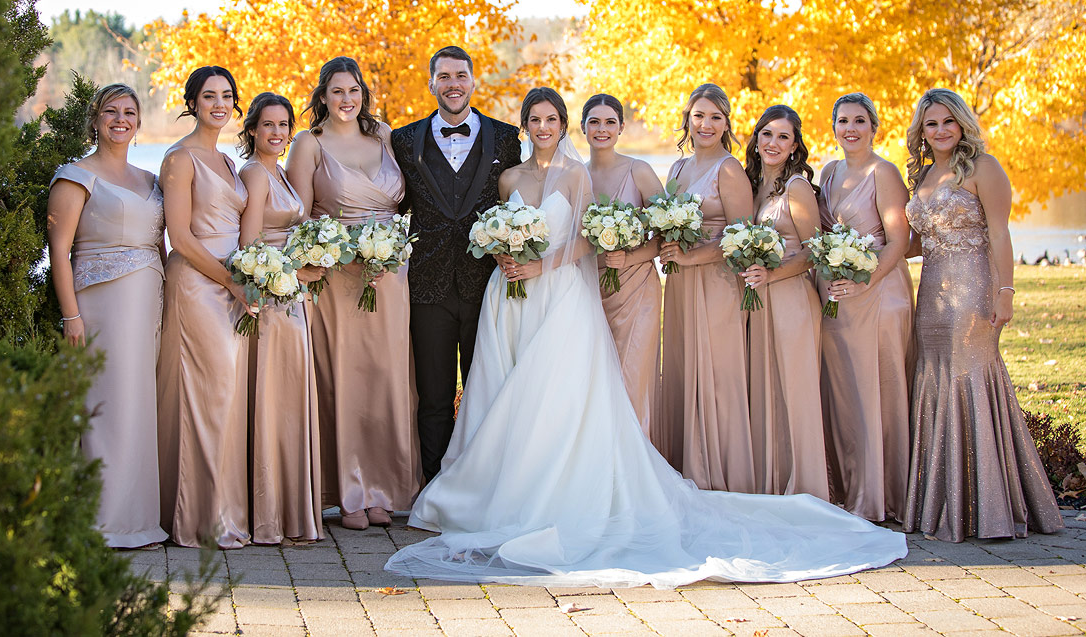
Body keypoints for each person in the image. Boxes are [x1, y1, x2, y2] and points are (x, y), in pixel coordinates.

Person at [385, 88, 906, 588]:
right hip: (516, 297)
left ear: (565, 127)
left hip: (578, 290)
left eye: (554, 119)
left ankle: (596, 485)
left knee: (574, 390)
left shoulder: (587, 177)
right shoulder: (514, 178)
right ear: (530, 127)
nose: (546, 128)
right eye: (537, 120)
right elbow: (509, 224)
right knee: (511, 390)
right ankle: (501, 485)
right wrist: (504, 252)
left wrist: (579, 261)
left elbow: (590, 239)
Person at [903, 88, 1062, 542]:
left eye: (948, 122)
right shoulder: (924, 175)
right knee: (935, 380)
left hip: (973, 291)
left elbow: (1000, 234)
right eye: (931, 124)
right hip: (931, 294)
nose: (940, 131)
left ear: (962, 125)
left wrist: (1006, 292)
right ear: (922, 130)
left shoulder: (984, 169)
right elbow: (918, 242)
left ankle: (989, 506)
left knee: (969, 379)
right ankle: (944, 502)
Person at [285, 56, 418, 530]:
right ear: (322, 96)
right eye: (337, 91)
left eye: (354, 90)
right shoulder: (309, 143)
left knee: (387, 375)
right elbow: (298, 216)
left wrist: (388, 250)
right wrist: (331, 251)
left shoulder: (383, 135)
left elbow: (404, 201)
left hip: (389, 272)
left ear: (363, 93)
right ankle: (347, 492)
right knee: (344, 376)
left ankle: (383, 488)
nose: (347, 99)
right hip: (338, 275)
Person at [390, 46, 521, 483]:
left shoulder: (506, 138)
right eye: (443, 76)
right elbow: (390, 202)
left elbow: (519, 205)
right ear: (431, 83)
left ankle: (484, 484)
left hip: (489, 283)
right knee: (433, 395)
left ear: (473, 81)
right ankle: (434, 487)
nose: (453, 84)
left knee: (489, 389)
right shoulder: (404, 141)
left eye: (461, 75)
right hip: (426, 285)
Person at [47, 83, 167, 548]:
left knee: (139, 405)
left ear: (139, 122)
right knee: (106, 408)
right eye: (112, 111)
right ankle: (100, 520)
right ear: (95, 118)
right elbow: (59, 253)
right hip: (100, 307)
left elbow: (160, 245)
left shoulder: (150, 179)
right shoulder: (76, 176)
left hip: (147, 304)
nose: (122, 119)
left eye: (130, 112)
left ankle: (139, 521)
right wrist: (71, 317)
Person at [157, 65, 253, 548]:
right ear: (192, 102)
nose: (220, 104)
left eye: (227, 96)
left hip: (232, 284)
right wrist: (232, 282)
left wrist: (247, 278)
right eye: (209, 95)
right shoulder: (180, 159)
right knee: (208, 393)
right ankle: (199, 518)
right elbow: (180, 236)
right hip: (197, 284)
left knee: (227, 394)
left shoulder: (229, 162)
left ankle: (223, 510)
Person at [817, 92, 913, 522]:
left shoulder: (885, 172)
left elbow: (900, 242)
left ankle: (886, 495)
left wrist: (865, 281)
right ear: (834, 127)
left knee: (880, 389)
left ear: (874, 127)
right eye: (843, 121)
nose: (851, 129)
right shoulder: (830, 172)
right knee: (846, 392)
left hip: (880, 293)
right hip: (837, 294)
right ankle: (853, 489)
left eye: (859, 121)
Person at [656, 83, 755, 491]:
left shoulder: (729, 169)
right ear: (688, 120)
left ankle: (720, 474)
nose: (706, 124)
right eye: (699, 115)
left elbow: (742, 237)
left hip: (717, 284)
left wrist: (692, 256)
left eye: (715, 116)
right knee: (681, 367)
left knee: (716, 373)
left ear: (727, 123)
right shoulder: (678, 169)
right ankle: (683, 467)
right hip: (680, 284)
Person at [238, 91, 324, 544]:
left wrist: (312, 258)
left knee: (291, 397)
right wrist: (297, 270)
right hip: (272, 299)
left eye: (284, 125)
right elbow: (250, 247)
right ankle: (270, 513)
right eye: (267, 124)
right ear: (251, 129)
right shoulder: (254, 174)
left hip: (293, 293)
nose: (277, 133)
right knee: (275, 397)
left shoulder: (283, 174)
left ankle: (293, 508)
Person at [742, 105, 827, 498]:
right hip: (760, 303)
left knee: (796, 392)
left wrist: (772, 274)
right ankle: (773, 485)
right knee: (767, 390)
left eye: (783, 137)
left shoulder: (797, 188)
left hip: (791, 298)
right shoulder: (753, 185)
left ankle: (807, 488)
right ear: (756, 140)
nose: (773, 143)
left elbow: (815, 250)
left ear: (795, 147)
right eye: (766, 134)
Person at [582, 93, 664, 438]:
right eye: (594, 122)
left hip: (637, 290)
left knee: (632, 377)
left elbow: (666, 234)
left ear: (621, 128)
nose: (602, 129)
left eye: (610, 122)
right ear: (582, 127)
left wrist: (629, 257)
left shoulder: (639, 171)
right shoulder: (576, 177)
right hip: (588, 292)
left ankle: (638, 462)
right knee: (596, 382)